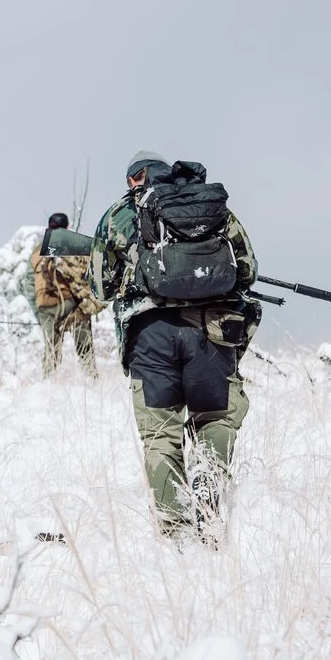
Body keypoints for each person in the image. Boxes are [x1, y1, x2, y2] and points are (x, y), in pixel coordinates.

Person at [90, 151, 259, 540]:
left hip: (151, 337)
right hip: (212, 335)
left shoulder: (120, 214)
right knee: (215, 419)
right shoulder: (211, 206)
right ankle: (208, 492)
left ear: (136, 179)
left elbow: (99, 287)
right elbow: (247, 269)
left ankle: (177, 531)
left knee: (161, 434)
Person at [30, 213, 98, 374]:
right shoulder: (71, 244)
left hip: (44, 306)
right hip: (69, 303)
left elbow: (27, 282)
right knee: (84, 345)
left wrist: (37, 310)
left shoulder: (37, 250)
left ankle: (48, 384)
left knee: (51, 349)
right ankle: (91, 378)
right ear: (67, 227)